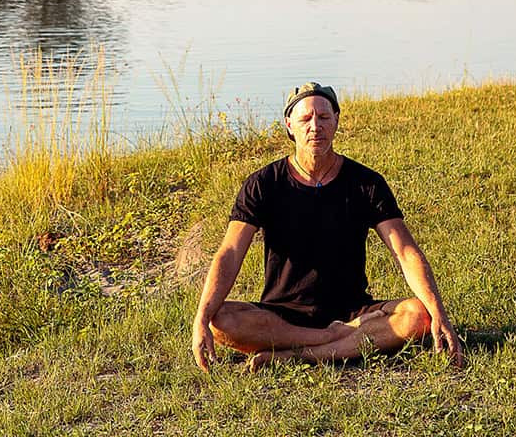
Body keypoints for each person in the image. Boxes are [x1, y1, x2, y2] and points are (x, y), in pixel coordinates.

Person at [191, 82, 463, 372]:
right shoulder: (263, 183)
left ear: (336, 120)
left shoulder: (366, 183)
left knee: (417, 315)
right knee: (220, 319)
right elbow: (230, 252)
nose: (315, 127)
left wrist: (439, 314)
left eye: (323, 117)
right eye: (305, 119)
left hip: (353, 313)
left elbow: (405, 251)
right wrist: (200, 320)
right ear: (289, 125)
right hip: (283, 316)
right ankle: (332, 341)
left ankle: (299, 355)